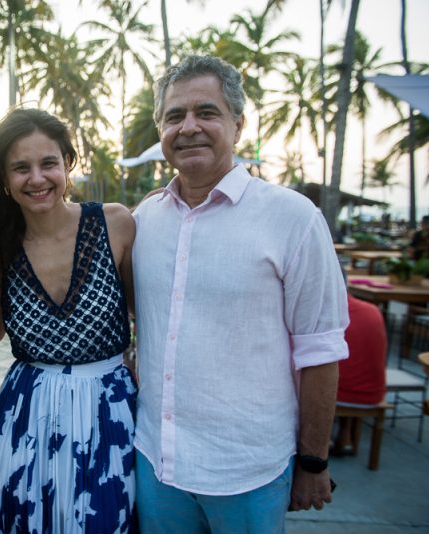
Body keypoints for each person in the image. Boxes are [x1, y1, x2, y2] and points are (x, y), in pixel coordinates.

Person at [132, 55, 349, 533]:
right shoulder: (144, 221)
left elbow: (321, 349)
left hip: (248, 472)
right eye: (174, 116)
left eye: (206, 112)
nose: (188, 127)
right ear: (161, 129)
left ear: (238, 124)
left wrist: (313, 460)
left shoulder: (294, 219)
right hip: (155, 463)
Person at [0, 108, 137, 533]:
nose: (37, 178)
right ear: (5, 179)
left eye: (48, 163)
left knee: (106, 519)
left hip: (108, 407)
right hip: (29, 412)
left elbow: (148, 316)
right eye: (20, 168)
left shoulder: (116, 224)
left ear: (68, 163)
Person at [332, 276, 387, 455]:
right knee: (349, 369)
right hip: (373, 393)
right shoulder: (373, 311)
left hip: (335, 394)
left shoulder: (326, 313)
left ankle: (324, 440)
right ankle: (345, 434)